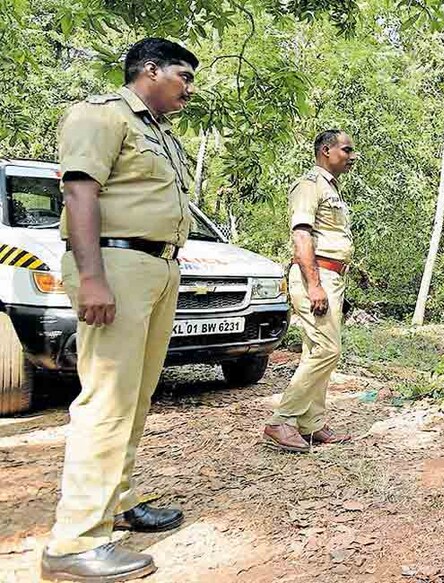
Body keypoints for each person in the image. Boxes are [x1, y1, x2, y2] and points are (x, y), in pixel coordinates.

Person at [41, 38, 197, 581]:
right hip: (116, 266)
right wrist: (91, 278)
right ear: (149, 71)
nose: (188, 89)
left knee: (135, 394)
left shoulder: (161, 135)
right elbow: (80, 193)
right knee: (107, 398)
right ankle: (75, 541)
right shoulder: (100, 114)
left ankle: (117, 501)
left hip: (157, 267)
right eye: (183, 76)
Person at [262, 130, 356, 452]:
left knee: (313, 351)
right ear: (326, 151)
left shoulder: (332, 189)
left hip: (332, 277)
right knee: (327, 350)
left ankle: (311, 424)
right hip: (316, 276)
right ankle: (281, 421)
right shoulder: (309, 186)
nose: (352, 155)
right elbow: (301, 237)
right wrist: (314, 284)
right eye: (346, 149)